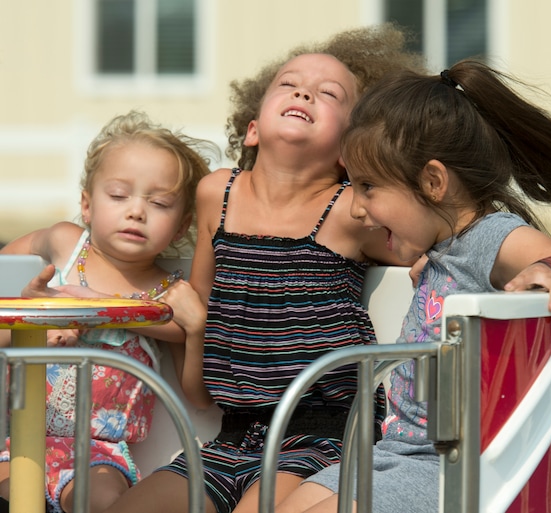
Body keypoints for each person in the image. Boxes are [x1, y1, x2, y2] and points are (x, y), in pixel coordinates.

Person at [273, 60, 551, 513]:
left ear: (433, 182)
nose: (356, 208)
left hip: (451, 466)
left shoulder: (489, 237)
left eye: (368, 186)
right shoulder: (443, 249)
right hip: (394, 452)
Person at [98, 25, 426, 513]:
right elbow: (203, 371)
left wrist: (425, 259)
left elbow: (426, 243)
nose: (304, 91)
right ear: (253, 127)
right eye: (289, 84)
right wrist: (196, 327)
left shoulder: (352, 210)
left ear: (349, 148)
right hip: (231, 437)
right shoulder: (216, 193)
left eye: (329, 93)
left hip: (327, 435)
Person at [0, 110, 215, 513]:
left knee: (102, 502)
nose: (136, 211)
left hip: (98, 454)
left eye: (159, 202)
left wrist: (198, 330)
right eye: (118, 196)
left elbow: (198, 398)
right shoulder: (65, 245)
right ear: (86, 203)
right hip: (17, 445)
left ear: (183, 223)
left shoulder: (170, 297)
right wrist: (31, 319)